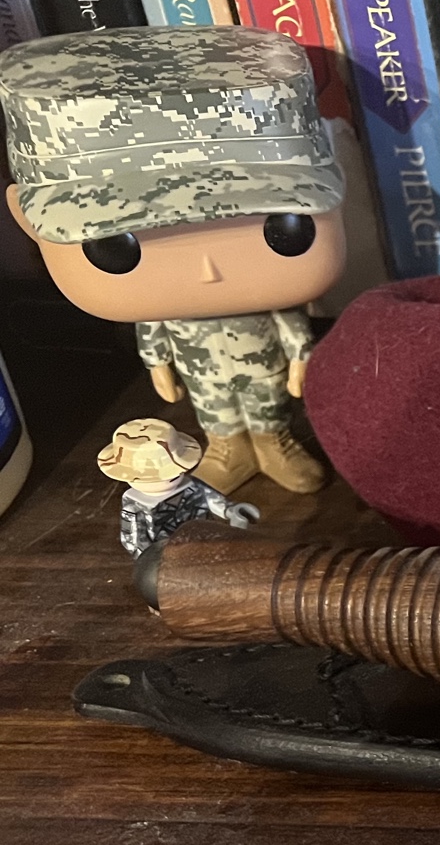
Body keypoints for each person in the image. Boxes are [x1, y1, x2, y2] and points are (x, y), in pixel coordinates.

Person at [0, 25, 347, 495]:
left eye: (283, 229)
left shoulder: (277, 306)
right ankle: (226, 448)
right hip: (202, 369)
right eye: (117, 247)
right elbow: (154, 336)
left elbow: (293, 330)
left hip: (261, 364)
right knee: (214, 407)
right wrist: (159, 364)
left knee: (267, 402)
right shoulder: (160, 316)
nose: (208, 271)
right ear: (25, 221)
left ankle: (274, 442)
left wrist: (302, 360)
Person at [97, 417, 258, 557]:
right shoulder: (135, 507)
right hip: (170, 558)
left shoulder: (191, 485)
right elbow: (134, 541)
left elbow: (212, 499)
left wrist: (231, 510)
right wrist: (152, 560)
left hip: (208, 541)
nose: (171, 475)